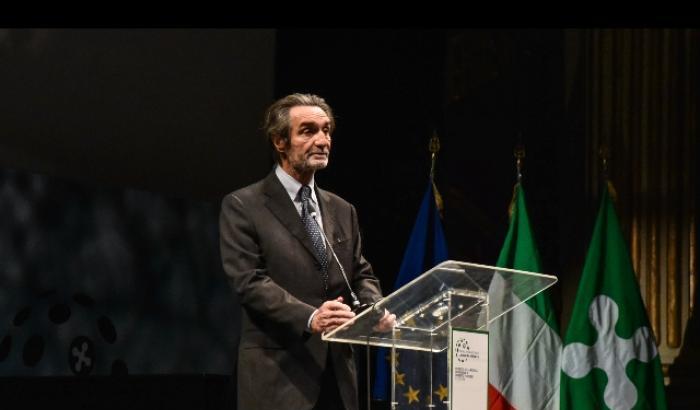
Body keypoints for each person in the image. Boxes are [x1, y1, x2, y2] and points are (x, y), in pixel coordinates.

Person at [219, 93, 394, 410]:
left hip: (338, 378)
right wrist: (311, 317)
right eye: (308, 131)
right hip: (279, 377)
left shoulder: (342, 209)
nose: (323, 141)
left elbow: (360, 274)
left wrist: (373, 309)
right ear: (280, 142)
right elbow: (249, 281)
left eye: (326, 130)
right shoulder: (244, 205)